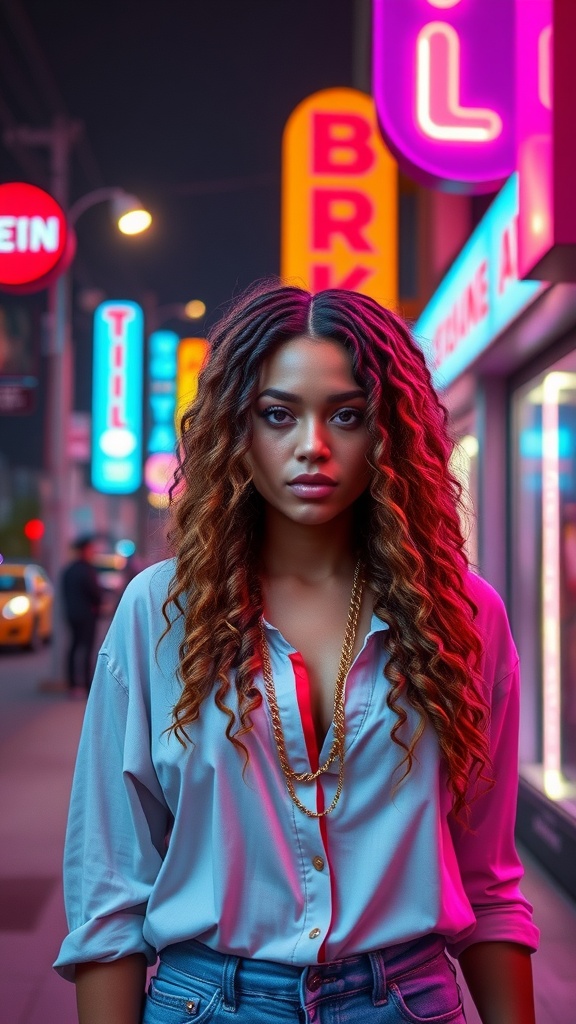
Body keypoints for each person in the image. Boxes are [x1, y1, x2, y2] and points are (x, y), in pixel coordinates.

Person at [54, 283, 539, 1024]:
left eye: (347, 415)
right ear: (236, 430)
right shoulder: (161, 611)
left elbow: (490, 884)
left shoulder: (466, 616)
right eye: (278, 415)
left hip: (406, 1002)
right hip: (206, 1003)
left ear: (390, 431)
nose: (312, 445)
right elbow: (110, 889)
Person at [60, 535, 102, 695]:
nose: (93, 552)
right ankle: (85, 685)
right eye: (91, 549)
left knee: (73, 647)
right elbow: (95, 593)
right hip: (87, 615)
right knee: (87, 649)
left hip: (71, 614)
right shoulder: (87, 570)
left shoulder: (68, 570)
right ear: (84, 550)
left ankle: (72, 684)